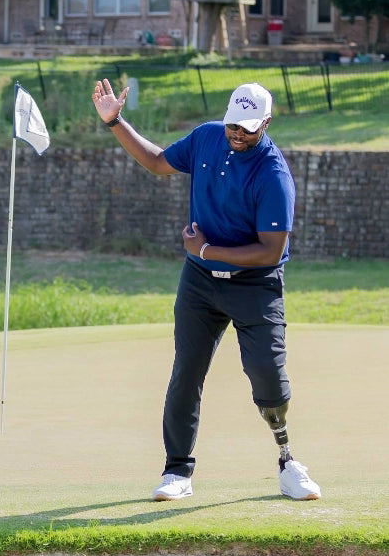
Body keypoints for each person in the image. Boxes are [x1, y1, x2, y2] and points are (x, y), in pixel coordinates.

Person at [91, 79, 321, 502]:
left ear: (266, 123)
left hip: (255, 286)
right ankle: (177, 471)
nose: (238, 134)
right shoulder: (207, 137)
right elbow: (158, 162)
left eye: (248, 128)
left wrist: (210, 248)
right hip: (199, 282)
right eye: (234, 124)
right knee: (186, 374)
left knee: (268, 375)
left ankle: (288, 461)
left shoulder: (273, 175)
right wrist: (115, 122)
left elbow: (271, 252)